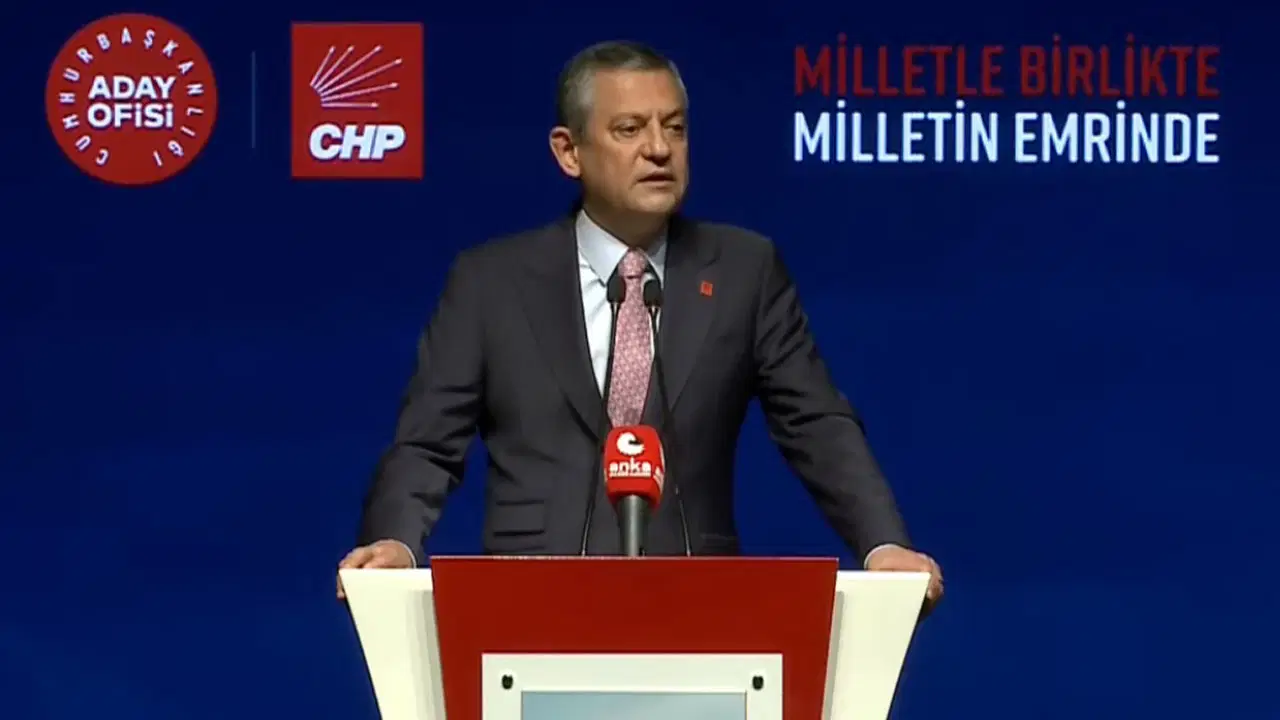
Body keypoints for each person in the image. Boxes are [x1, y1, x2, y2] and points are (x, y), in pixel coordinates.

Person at [337, 40, 943, 609]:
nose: (659, 148)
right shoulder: (490, 281)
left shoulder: (744, 270)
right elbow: (427, 444)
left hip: (695, 603)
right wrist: (395, 542)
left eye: (674, 128)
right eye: (630, 129)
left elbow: (815, 424)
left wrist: (882, 543)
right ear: (568, 152)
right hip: (529, 604)